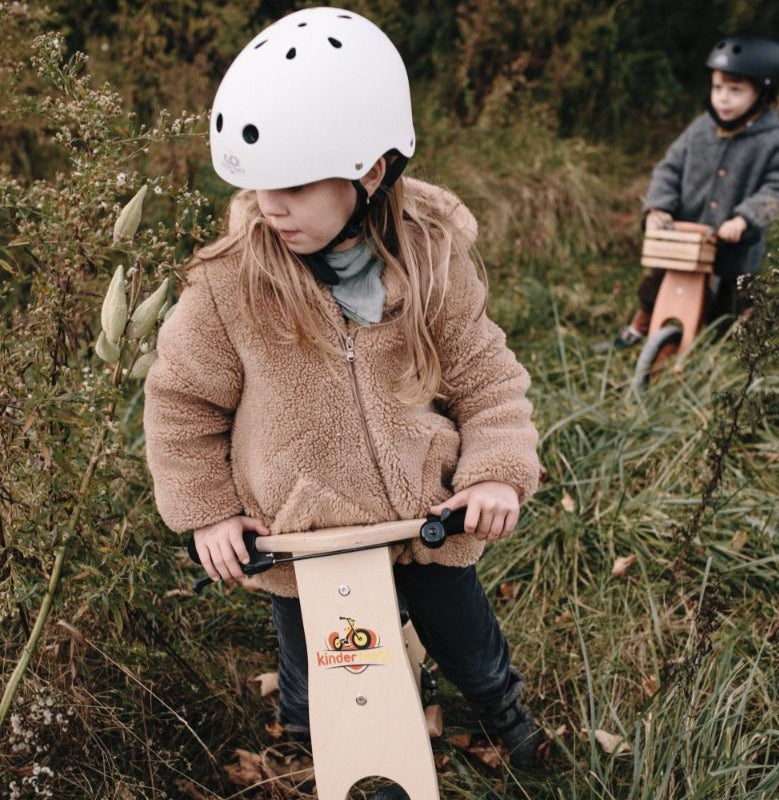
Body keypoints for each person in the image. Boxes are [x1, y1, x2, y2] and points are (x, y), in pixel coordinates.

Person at [142, 5, 545, 789]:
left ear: (369, 170)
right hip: (305, 534)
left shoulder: (431, 260)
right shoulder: (231, 284)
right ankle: (308, 745)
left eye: (293, 186)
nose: (271, 207)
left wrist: (495, 471)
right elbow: (183, 403)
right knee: (317, 679)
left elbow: (485, 377)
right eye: (259, 187)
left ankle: (507, 720)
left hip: (424, 517)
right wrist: (209, 512)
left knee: (468, 639)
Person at [615, 34, 779, 347]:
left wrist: (744, 219)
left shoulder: (769, 140)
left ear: (763, 92)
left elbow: (778, 187)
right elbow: (669, 168)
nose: (723, 98)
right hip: (687, 237)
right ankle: (641, 325)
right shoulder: (701, 129)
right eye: (717, 88)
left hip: (734, 245)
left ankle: (736, 349)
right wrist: (658, 207)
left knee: (735, 300)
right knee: (657, 284)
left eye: (735, 90)